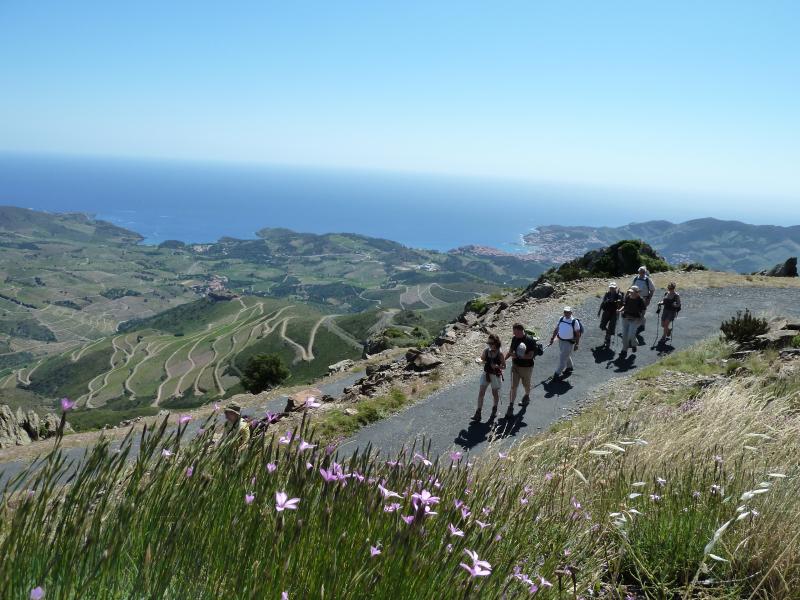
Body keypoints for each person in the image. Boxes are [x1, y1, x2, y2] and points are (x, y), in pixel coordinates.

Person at [473, 333, 506, 422]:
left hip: (495, 376)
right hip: (486, 373)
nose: (489, 345)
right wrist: (479, 361)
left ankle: (494, 409)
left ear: (496, 343)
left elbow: (504, 366)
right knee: (481, 392)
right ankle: (478, 412)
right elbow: (482, 359)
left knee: (495, 394)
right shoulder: (486, 351)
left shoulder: (500, 353)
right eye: (489, 343)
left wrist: (496, 366)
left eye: (491, 343)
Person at [505, 323, 537, 411]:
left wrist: (518, 356)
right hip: (515, 366)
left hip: (526, 367)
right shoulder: (514, 339)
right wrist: (503, 360)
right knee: (513, 386)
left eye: (515, 332)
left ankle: (527, 396)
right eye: (513, 332)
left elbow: (530, 356)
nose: (514, 334)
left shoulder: (530, 340)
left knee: (526, 385)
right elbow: (510, 351)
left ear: (520, 331)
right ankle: (511, 406)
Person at [548, 306, 581, 380]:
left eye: (568, 312)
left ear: (571, 313)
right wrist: (552, 338)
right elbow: (556, 329)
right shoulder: (561, 319)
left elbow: (578, 334)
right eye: (565, 312)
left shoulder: (574, 321)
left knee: (562, 359)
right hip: (561, 341)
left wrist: (577, 344)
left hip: (569, 342)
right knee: (565, 355)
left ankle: (556, 375)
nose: (566, 313)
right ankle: (570, 367)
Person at [618, 286, 647, 359]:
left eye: (632, 292)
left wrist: (641, 318)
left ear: (637, 293)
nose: (630, 293)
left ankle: (633, 344)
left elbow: (643, 310)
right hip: (625, 318)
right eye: (630, 291)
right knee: (625, 335)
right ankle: (624, 350)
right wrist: (620, 310)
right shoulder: (628, 297)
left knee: (630, 334)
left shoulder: (640, 300)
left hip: (635, 319)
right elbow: (624, 306)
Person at [597, 282, 624, 347]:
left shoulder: (619, 295)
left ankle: (608, 338)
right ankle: (608, 332)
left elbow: (622, 304)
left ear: (616, 288)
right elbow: (603, 302)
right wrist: (599, 311)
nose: (611, 289)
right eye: (610, 287)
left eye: (613, 288)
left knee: (611, 326)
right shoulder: (607, 294)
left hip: (614, 313)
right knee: (602, 326)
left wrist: (619, 309)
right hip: (606, 311)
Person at [631, 266, 656, 332]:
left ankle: (637, 327)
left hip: (644, 299)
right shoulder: (636, 278)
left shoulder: (647, 280)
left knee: (641, 313)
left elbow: (652, 290)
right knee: (637, 312)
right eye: (641, 272)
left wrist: (649, 299)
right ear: (639, 272)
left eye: (643, 272)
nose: (642, 273)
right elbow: (632, 288)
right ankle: (642, 324)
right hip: (635, 298)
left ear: (645, 272)